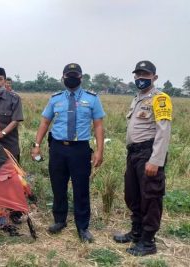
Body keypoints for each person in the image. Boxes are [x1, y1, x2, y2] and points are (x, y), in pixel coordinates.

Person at [31, 63, 105, 242]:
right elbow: (44, 122)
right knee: (58, 185)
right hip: (58, 148)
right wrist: (37, 144)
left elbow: (98, 125)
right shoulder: (55, 98)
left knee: (81, 188)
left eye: (75, 75)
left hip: (80, 149)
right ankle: (59, 220)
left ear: (81, 77)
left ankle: (82, 227)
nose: (71, 78)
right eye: (68, 75)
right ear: (63, 77)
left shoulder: (92, 99)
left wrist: (99, 151)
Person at [113, 61, 172, 256]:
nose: (141, 78)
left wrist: (156, 160)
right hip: (134, 154)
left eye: (145, 75)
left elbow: (163, 132)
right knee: (133, 195)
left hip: (148, 153)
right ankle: (136, 232)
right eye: (138, 75)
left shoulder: (160, 99)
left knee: (150, 197)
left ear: (154, 77)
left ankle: (148, 241)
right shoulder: (138, 98)